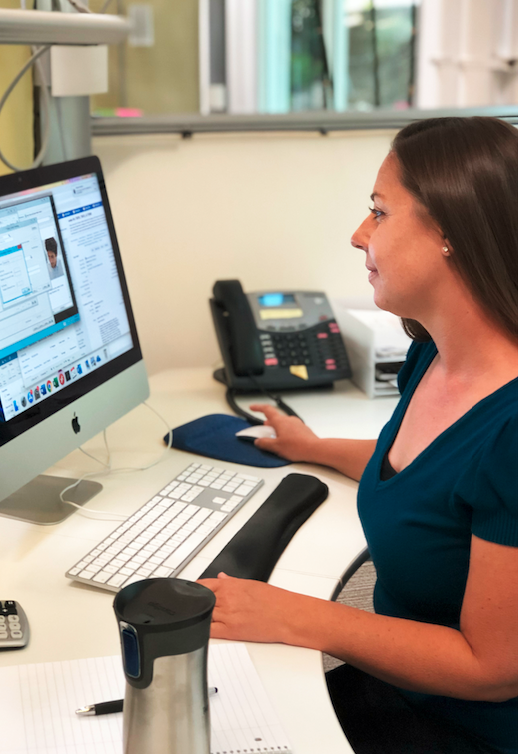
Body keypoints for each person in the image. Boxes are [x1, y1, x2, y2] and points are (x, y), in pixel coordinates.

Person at [199, 117, 518, 754]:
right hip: (395, 685)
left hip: (466, 730)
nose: (357, 235)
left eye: (379, 213)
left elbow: (493, 669)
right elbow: (431, 477)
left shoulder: (511, 431)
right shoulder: (433, 354)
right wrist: (311, 448)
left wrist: (296, 615)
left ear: (451, 233)